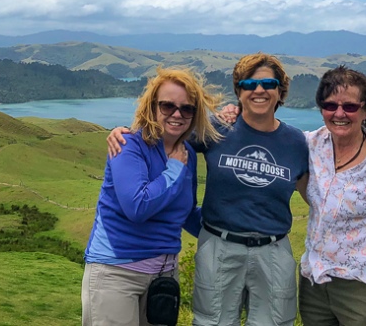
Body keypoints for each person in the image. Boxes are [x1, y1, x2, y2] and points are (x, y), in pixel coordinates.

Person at [107, 53, 309, 326]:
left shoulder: (297, 142)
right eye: (249, 84)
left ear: (280, 90)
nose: (258, 90)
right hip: (219, 247)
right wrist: (126, 132)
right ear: (238, 90)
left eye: (268, 84)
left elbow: (317, 192)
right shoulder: (217, 128)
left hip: (274, 250)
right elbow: (164, 132)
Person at [219, 65, 366, 326]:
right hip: (315, 283)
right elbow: (271, 135)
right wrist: (238, 112)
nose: (339, 113)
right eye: (330, 106)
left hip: (364, 286)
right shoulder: (310, 144)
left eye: (350, 107)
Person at [82, 67, 222, 326]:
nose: (177, 114)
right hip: (117, 272)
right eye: (167, 106)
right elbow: (138, 206)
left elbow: (187, 212)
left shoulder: (187, 153)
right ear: (152, 107)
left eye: (187, 108)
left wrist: (231, 233)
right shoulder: (128, 145)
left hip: (164, 275)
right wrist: (174, 169)